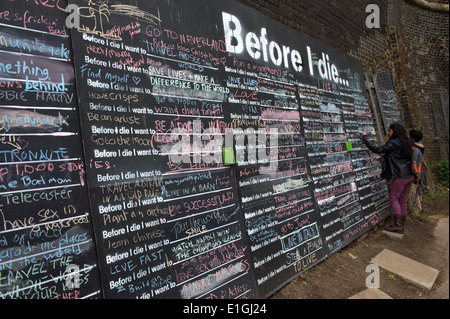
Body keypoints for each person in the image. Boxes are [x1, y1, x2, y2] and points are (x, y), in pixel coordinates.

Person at [361, 123, 414, 234]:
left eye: (389, 131)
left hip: (400, 176)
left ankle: (398, 225)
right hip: (409, 175)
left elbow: (377, 149)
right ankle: (401, 223)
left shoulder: (394, 143)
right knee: (402, 199)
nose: (388, 133)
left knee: (393, 198)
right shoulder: (406, 142)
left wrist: (365, 139)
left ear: (394, 132)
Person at [409, 129, 425, 215]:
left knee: (415, 190)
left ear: (413, 139)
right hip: (420, 169)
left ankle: (418, 209)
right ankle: (420, 205)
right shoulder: (421, 146)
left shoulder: (414, 147)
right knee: (418, 189)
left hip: (416, 170)